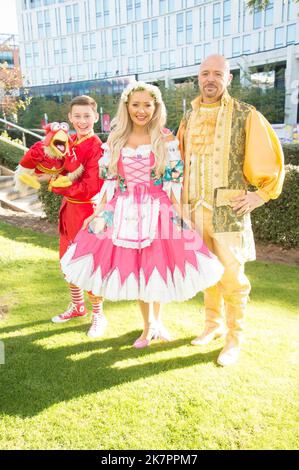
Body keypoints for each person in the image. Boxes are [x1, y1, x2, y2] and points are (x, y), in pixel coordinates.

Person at [60, 81, 224, 348]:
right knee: (136, 271)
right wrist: (99, 211)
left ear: (155, 107)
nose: (141, 110)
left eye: (147, 105)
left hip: (158, 210)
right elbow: (110, 181)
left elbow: (173, 182)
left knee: (155, 267)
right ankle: (147, 327)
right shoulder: (116, 139)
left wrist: (181, 214)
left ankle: (156, 324)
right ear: (127, 106)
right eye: (136, 104)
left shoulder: (166, 138)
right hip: (124, 210)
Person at [177, 55, 285, 366]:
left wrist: (260, 195)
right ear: (198, 78)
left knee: (233, 280)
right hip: (192, 212)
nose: (210, 79)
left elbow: (269, 160)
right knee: (206, 274)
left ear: (228, 79)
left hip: (228, 212)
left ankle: (234, 339)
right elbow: (179, 164)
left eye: (217, 74)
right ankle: (212, 325)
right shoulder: (187, 118)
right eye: (204, 73)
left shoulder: (246, 114)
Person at [38, 95, 107, 338]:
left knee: (89, 266)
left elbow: (91, 187)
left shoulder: (97, 146)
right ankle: (77, 307)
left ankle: (98, 314)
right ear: (70, 118)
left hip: (87, 213)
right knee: (67, 263)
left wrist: (58, 185)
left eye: (87, 116)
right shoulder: (69, 141)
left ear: (96, 117)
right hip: (69, 212)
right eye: (77, 116)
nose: (82, 120)